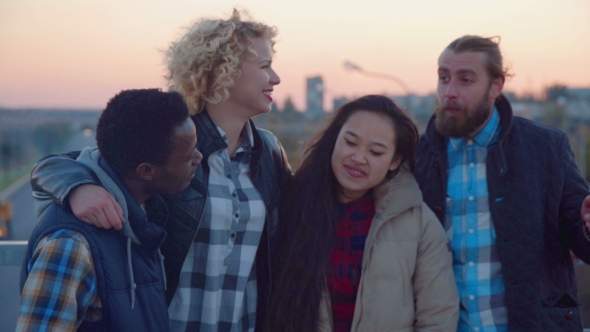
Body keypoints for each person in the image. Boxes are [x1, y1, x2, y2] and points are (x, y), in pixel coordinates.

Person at [28, 9, 291, 332]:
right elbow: (56, 165)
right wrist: (79, 188)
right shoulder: (171, 140)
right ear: (225, 71)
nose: (276, 78)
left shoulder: (269, 152)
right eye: (265, 67)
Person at [413, 35, 590, 331]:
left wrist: (586, 226)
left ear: (497, 85)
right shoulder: (416, 157)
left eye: (465, 80)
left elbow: (580, 235)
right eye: (444, 78)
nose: (450, 92)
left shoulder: (546, 147)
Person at [268, 95, 459, 332]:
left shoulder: (419, 223)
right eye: (350, 142)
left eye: (376, 152)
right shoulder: (292, 205)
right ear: (335, 140)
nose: (358, 158)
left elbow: (438, 316)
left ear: (395, 161)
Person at [17, 89, 203, 331]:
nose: (199, 158)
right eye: (189, 157)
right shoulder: (70, 245)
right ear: (146, 171)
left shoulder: (143, 211)